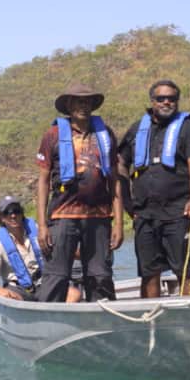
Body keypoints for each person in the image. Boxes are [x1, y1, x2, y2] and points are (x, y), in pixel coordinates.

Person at [117, 80, 190, 298]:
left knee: (185, 270)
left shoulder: (189, 130)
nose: (167, 102)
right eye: (161, 98)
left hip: (179, 212)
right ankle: (151, 321)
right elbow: (120, 162)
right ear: (152, 101)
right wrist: (127, 203)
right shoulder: (137, 130)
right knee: (149, 273)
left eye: (172, 99)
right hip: (145, 214)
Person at [35, 83, 123, 302]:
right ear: (68, 105)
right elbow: (43, 181)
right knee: (56, 275)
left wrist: (119, 223)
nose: (83, 106)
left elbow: (115, 180)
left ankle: (103, 323)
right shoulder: (53, 135)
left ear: (93, 105)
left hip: (99, 218)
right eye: (78, 101)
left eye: (87, 101)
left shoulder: (105, 134)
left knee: (100, 276)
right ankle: (47, 324)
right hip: (63, 216)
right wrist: (43, 226)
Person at [0, 195, 81, 302]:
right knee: (14, 298)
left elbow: (63, 250)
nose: (13, 215)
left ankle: (58, 317)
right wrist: (0, 291)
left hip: (44, 283)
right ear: (2, 218)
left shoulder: (38, 231)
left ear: (22, 213)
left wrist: (86, 257)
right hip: (18, 289)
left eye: (16, 211)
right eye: (7, 213)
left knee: (74, 294)